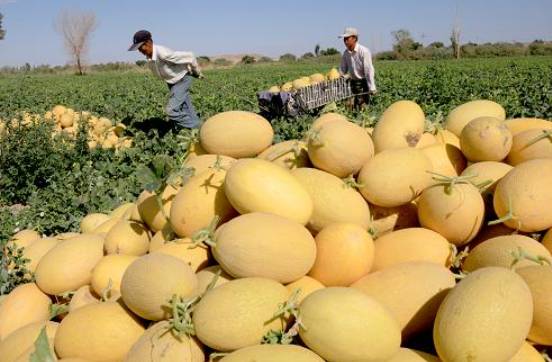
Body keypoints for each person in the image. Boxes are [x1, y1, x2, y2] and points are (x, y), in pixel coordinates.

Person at [128, 30, 202, 130]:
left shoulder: (163, 53)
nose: (140, 51)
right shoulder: (150, 56)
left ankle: (197, 127)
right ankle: (197, 127)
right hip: (172, 82)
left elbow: (190, 56)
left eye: (141, 47)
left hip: (182, 79)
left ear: (148, 43)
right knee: (186, 108)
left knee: (171, 111)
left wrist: (197, 72)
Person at [338, 27, 377, 111]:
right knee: (351, 106)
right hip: (353, 82)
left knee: (362, 106)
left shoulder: (364, 51)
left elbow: (368, 70)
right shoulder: (346, 53)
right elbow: (342, 68)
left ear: (354, 38)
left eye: (347, 38)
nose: (345, 41)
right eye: (344, 39)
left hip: (363, 82)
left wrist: (372, 87)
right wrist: (341, 76)